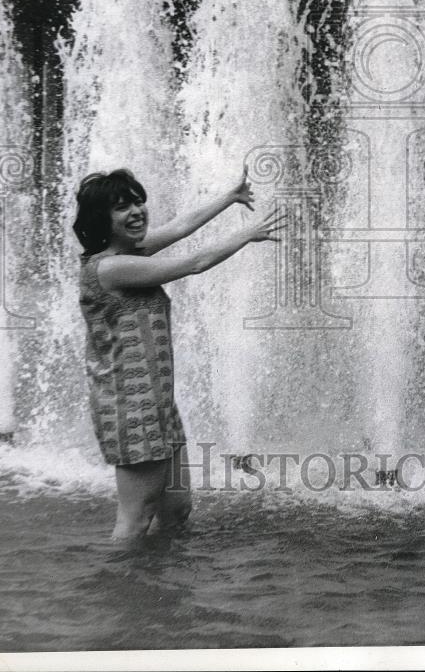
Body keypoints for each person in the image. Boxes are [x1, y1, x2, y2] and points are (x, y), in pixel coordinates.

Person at [73, 164, 284, 540]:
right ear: (102, 219)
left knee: (177, 509)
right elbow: (194, 263)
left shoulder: (131, 253)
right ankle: (113, 590)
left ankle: (161, 584)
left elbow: (181, 225)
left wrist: (229, 197)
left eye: (138, 203)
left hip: (157, 404)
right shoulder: (109, 268)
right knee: (136, 517)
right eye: (122, 207)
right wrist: (246, 235)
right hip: (129, 408)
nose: (136, 212)